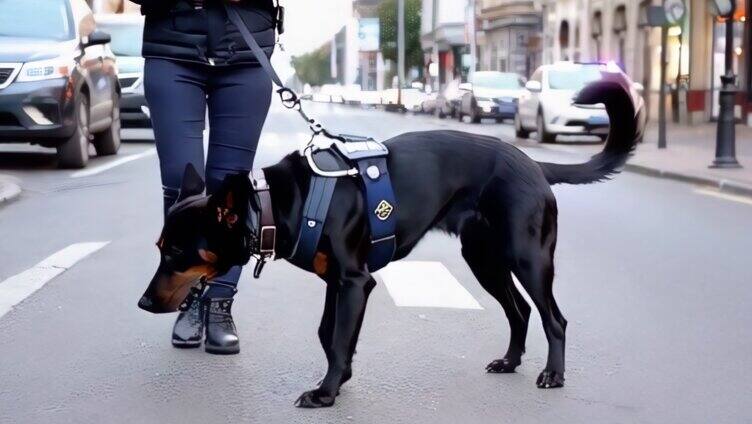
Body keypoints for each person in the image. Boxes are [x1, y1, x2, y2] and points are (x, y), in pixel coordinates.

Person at [131, 0, 279, 354]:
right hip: (172, 48)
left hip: (246, 50)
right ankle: (190, 298)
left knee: (231, 191)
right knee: (181, 182)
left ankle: (220, 303)